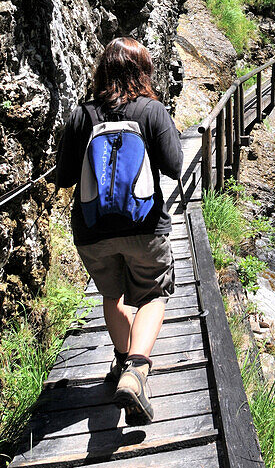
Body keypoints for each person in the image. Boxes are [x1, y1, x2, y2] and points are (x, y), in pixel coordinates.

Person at [55, 37, 183, 424]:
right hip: (145, 226)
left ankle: (123, 363)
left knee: (113, 296)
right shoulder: (152, 110)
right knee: (154, 293)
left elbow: (62, 177)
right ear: (142, 71)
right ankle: (138, 369)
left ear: (102, 70)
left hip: (92, 229)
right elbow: (176, 166)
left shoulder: (81, 115)